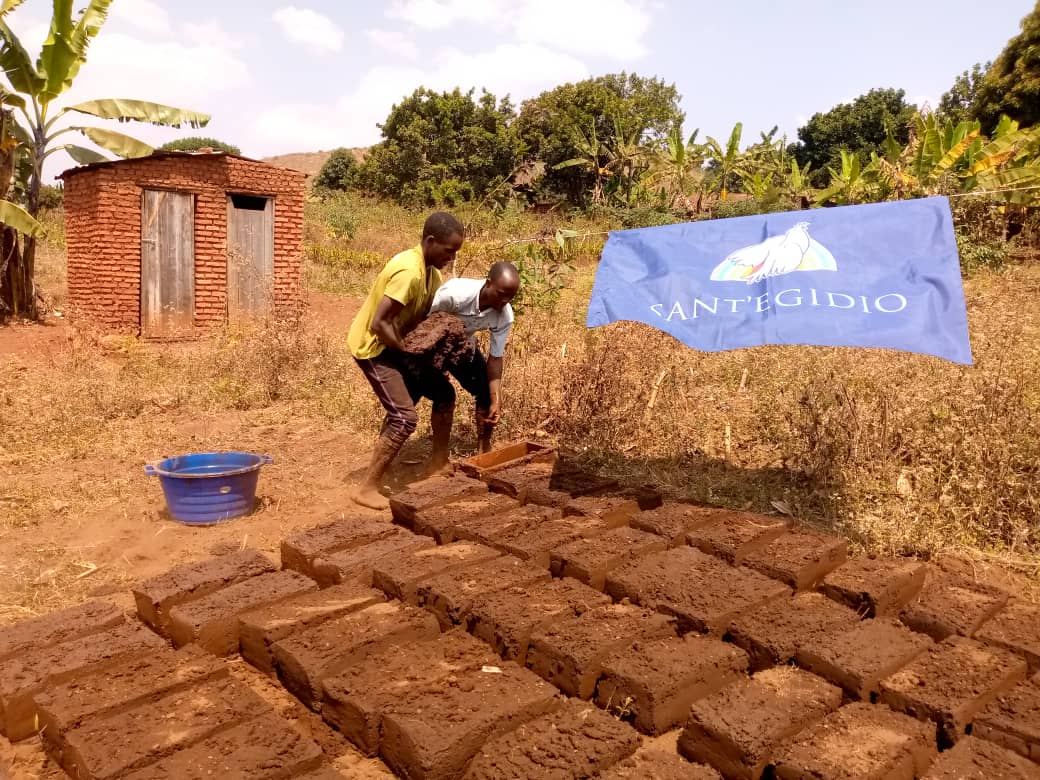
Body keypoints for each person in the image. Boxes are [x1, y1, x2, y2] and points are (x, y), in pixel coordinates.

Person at [347, 212, 464, 510]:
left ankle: (437, 462)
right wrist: (407, 353)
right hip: (374, 348)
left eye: (456, 251)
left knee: (443, 393)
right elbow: (379, 323)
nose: (452, 257)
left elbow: (421, 319)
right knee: (404, 417)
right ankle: (367, 487)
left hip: (398, 345)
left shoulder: (432, 274)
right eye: (449, 250)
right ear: (430, 241)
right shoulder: (408, 271)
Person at [428, 261, 520, 454]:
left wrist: (496, 398)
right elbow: (422, 324)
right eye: (501, 294)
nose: (504, 301)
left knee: (486, 392)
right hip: (431, 345)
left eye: (510, 297)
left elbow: (495, 358)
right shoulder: (454, 294)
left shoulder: (504, 315)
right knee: (437, 396)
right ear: (488, 283)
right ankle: (436, 456)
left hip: (462, 347)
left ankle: (484, 450)